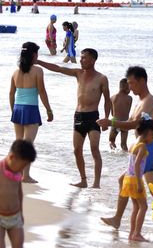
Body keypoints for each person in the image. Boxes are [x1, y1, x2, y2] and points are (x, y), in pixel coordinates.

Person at [36, 48, 112, 188]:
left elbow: (108, 100)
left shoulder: (101, 78)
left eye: (84, 58)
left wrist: (107, 118)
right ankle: (83, 180)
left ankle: (96, 183)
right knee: (77, 150)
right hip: (78, 116)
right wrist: (38, 61)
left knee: (94, 148)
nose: (81, 60)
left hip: (93, 117)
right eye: (81, 57)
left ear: (93, 60)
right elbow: (58, 68)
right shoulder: (78, 73)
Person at [102, 66, 153, 234]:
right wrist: (113, 130)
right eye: (128, 84)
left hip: (148, 149)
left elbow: (135, 124)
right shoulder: (140, 101)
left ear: (142, 81)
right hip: (142, 148)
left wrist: (111, 123)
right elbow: (129, 122)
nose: (130, 87)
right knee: (129, 182)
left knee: (151, 189)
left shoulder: (149, 100)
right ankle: (118, 219)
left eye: (132, 83)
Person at [10, 42, 53, 183]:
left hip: (18, 107)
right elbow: (42, 91)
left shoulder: (16, 72)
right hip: (30, 108)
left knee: (19, 142)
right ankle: (25, 176)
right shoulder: (37, 71)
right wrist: (48, 109)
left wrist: (13, 110)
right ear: (34, 55)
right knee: (28, 145)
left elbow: (11, 93)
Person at [123, 119, 153, 242]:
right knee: (143, 207)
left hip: (128, 178)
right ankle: (137, 233)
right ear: (149, 133)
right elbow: (138, 165)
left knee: (136, 207)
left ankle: (132, 234)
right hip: (135, 180)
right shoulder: (143, 147)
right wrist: (139, 183)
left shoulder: (134, 144)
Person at [109, 77, 132, 151]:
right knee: (123, 144)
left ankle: (114, 158)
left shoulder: (112, 98)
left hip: (115, 122)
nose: (130, 90)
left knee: (111, 141)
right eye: (129, 88)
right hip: (126, 123)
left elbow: (112, 113)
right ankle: (125, 159)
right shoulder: (129, 98)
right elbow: (128, 110)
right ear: (126, 88)